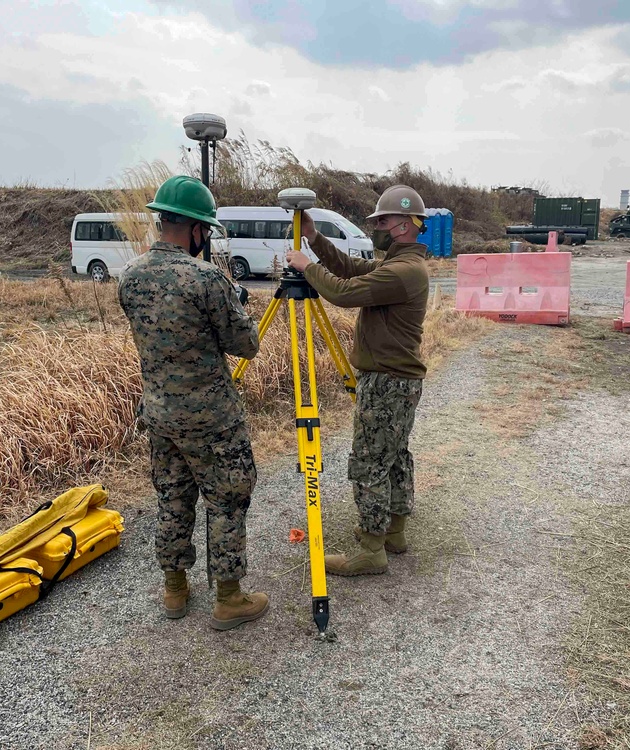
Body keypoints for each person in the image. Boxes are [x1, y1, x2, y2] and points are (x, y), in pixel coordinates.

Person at [118, 175, 269, 630]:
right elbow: (246, 345)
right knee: (225, 499)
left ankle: (175, 589)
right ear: (196, 229)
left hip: (160, 414)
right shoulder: (206, 279)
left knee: (173, 497)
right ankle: (228, 597)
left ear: (164, 220)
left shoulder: (130, 276)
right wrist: (239, 306)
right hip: (211, 419)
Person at [285, 185, 429, 577]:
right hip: (397, 380)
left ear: (403, 225)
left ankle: (370, 549)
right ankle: (393, 532)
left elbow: (344, 293)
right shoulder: (398, 265)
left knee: (368, 464)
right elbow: (351, 269)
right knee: (393, 457)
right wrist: (315, 240)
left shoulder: (403, 272)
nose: (376, 227)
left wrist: (305, 266)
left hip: (387, 383)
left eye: (381, 221)